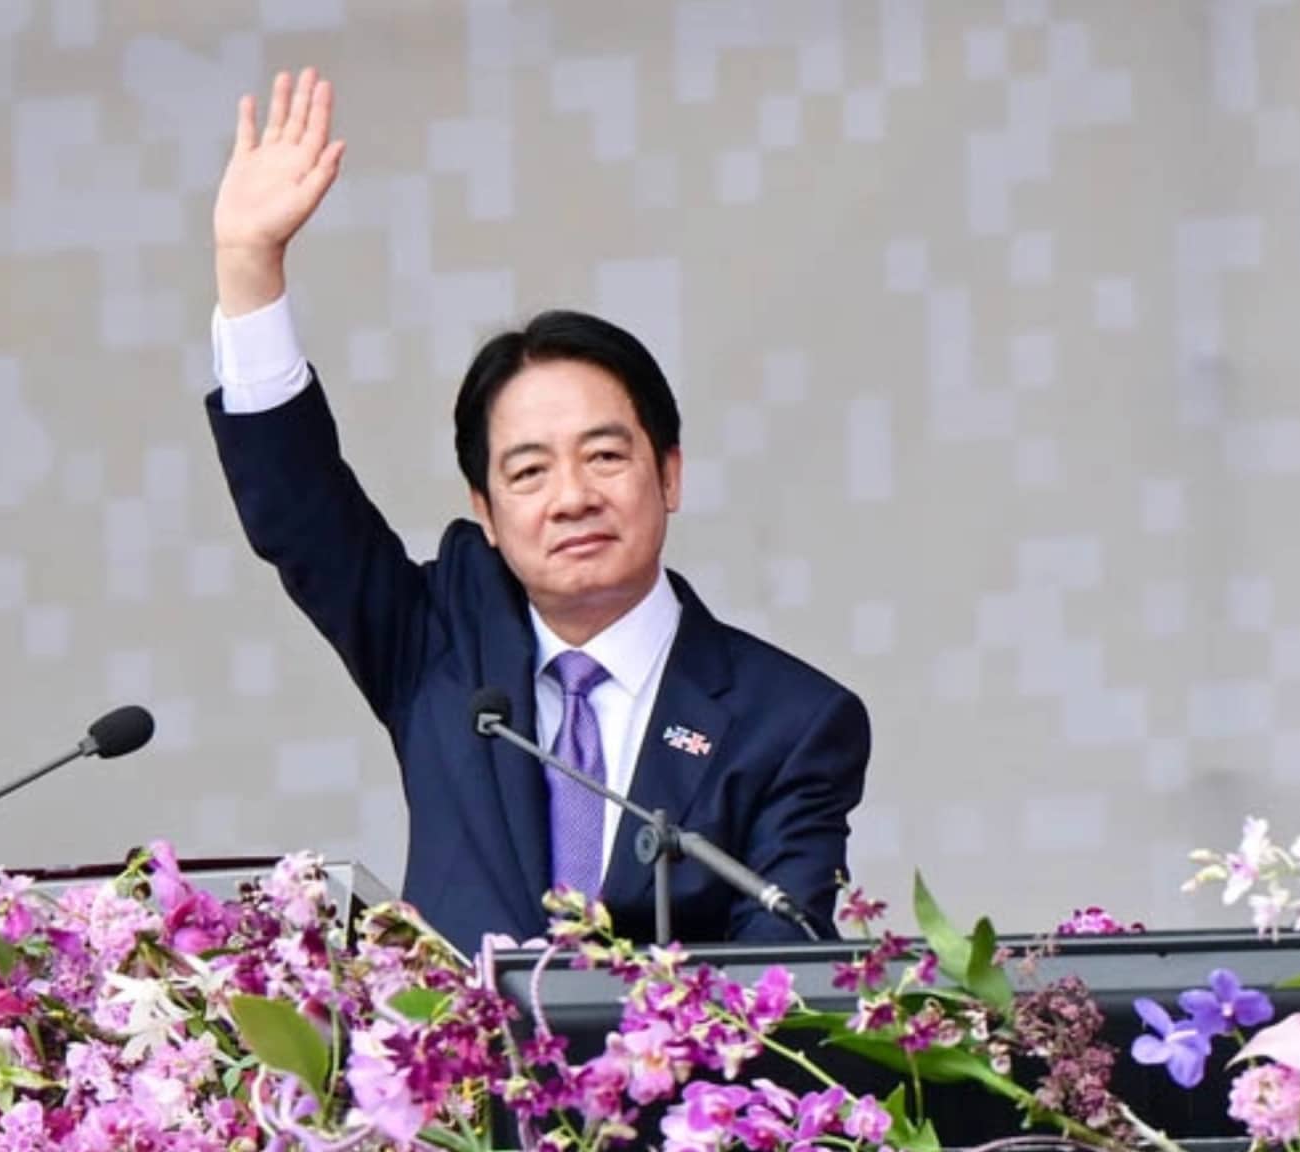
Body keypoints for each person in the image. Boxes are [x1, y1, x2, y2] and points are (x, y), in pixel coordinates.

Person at [202, 68, 869, 949]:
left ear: (669, 474)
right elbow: (301, 517)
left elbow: (783, 964)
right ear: (484, 510)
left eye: (605, 456)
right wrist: (249, 267)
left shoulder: (791, 720)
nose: (572, 498)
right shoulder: (441, 644)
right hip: (452, 1045)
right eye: (528, 472)